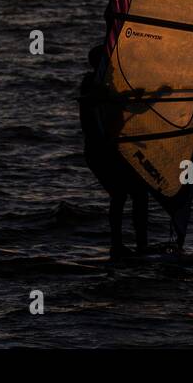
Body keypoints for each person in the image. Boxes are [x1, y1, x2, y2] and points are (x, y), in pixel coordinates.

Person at [78, 43, 150, 258]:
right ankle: (119, 246)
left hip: (113, 151)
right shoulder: (91, 84)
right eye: (109, 62)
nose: (115, 66)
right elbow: (100, 98)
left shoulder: (109, 86)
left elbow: (132, 106)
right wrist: (126, 97)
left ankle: (140, 246)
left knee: (138, 193)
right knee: (121, 194)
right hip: (100, 152)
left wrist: (157, 94)